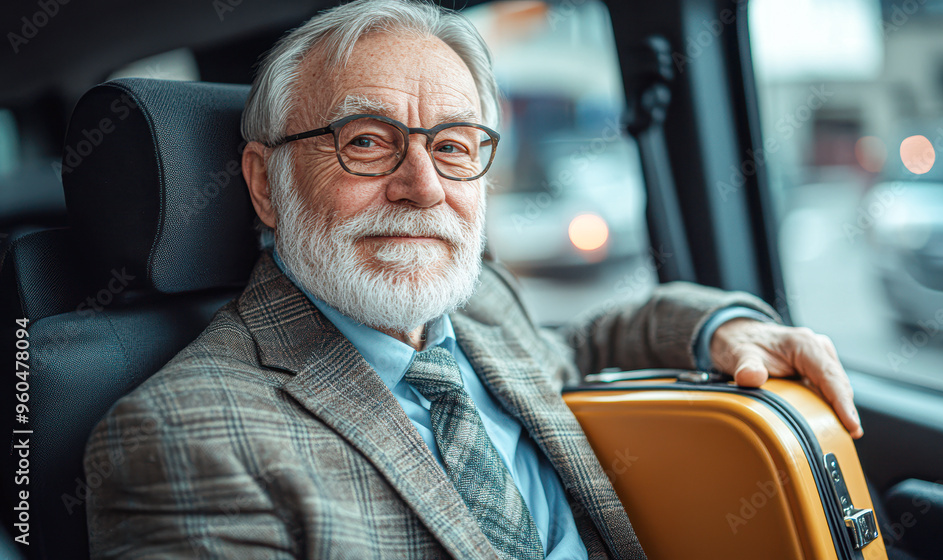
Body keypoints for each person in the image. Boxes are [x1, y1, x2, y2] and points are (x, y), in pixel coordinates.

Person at [84, 1, 862, 558]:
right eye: (365, 141)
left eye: (453, 146)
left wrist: (719, 326)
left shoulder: (482, 305)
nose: (423, 186)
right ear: (264, 185)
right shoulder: (181, 438)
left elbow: (588, 340)